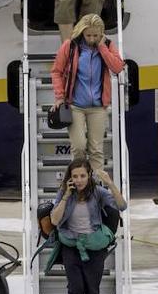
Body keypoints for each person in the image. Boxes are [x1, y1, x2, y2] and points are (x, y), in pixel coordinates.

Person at [48, 158, 128, 294]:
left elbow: (122, 206)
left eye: (82, 175)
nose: (79, 180)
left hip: (93, 246)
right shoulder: (65, 194)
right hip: (71, 245)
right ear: (70, 178)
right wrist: (66, 195)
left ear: (89, 176)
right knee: (76, 288)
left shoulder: (97, 193)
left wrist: (109, 183)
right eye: (75, 176)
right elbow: (55, 220)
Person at [51, 13, 125, 174]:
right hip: (75, 105)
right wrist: (59, 96)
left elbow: (118, 67)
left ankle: (96, 186)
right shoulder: (70, 46)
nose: (91, 39)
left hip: (98, 106)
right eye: (88, 35)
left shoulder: (108, 45)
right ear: (82, 32)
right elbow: (56, 71)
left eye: (95, 35)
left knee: (96, 149)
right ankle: (78, 182)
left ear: (101, 33)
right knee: (78, 146)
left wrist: (102, 47)